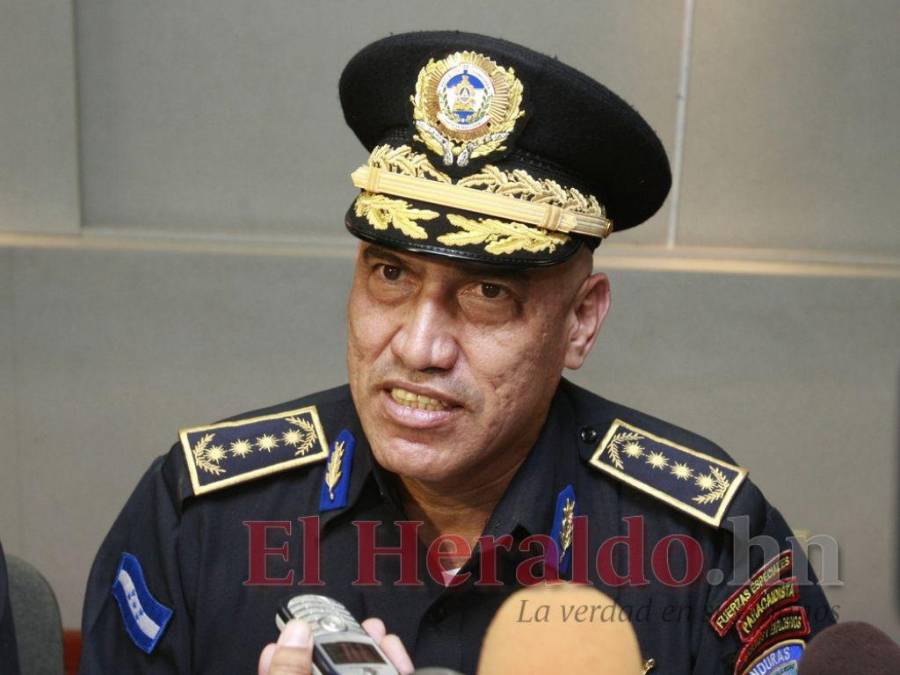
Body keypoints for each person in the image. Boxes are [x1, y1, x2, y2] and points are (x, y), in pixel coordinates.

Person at [79, 31, 835, 675]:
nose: (418, 346)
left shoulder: (709, 540)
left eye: (488, 293)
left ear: (580, 321)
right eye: (391, 275)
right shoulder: (200, 515)